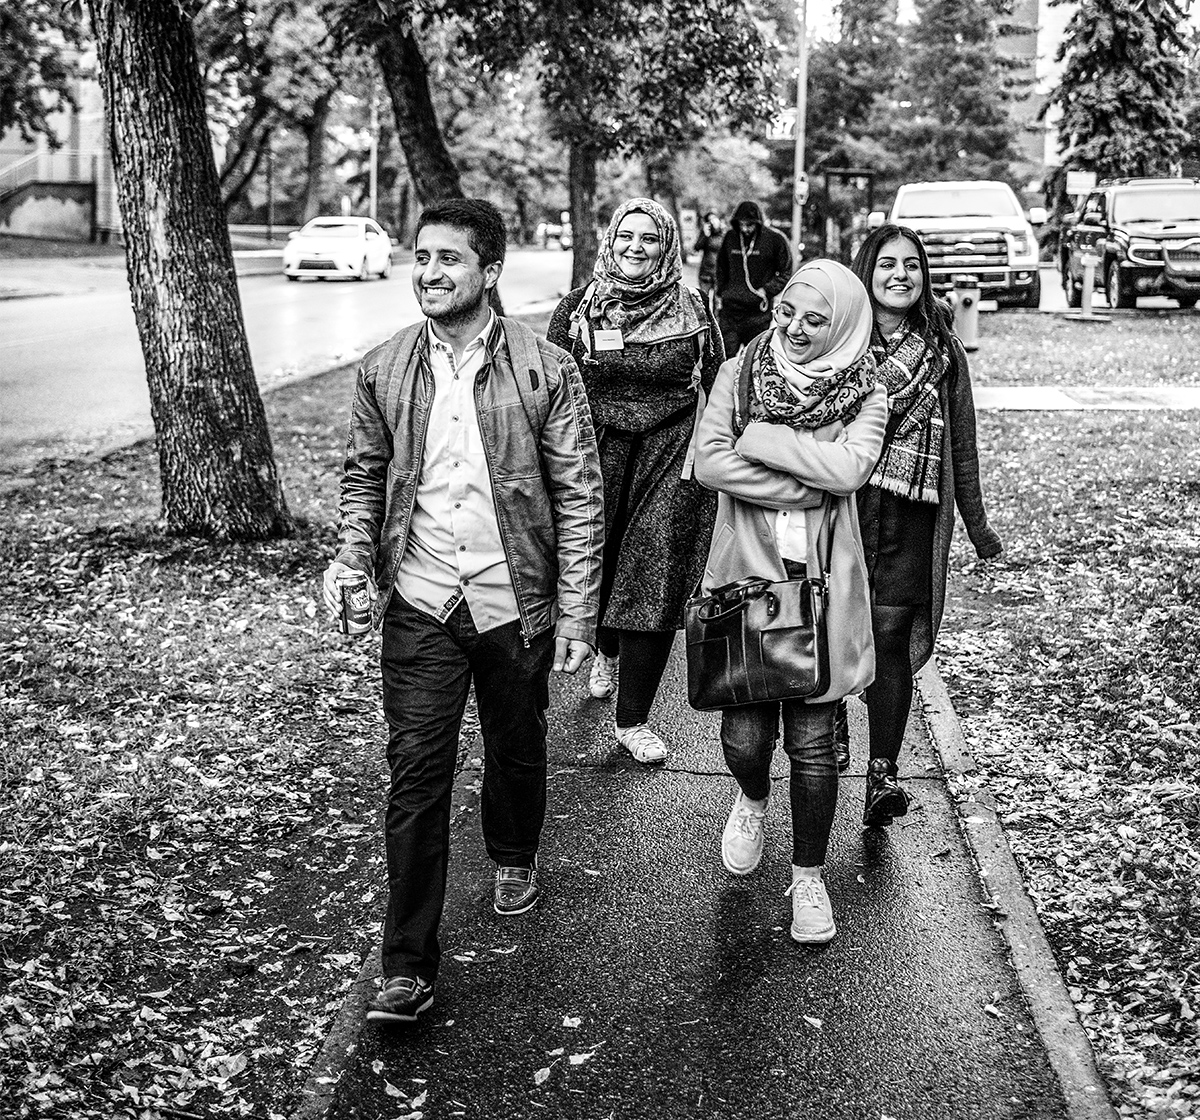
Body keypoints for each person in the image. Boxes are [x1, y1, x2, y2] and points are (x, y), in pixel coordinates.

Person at [322, 198, 604, 1024]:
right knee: (415, 777)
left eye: (449, 259)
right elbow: (363, 477)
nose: (430, 273)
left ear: (489, 271)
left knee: (517, 745)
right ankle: (406, 966)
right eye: (422, 257)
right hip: (418, 599)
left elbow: (579, 495)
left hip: (513, 600)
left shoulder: (545, 368)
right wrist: (350, 557)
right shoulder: (383, 367)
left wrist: (578, 616)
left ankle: (514, 852)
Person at [693, 260, 888, 943]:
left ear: (840, 325)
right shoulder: (738, 374)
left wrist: (762, 439)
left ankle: (809, 877)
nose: (797, 329)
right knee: (744, 738)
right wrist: (808, 484)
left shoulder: (868, 391)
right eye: (788, 314)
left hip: (825, 587)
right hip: (747, 580)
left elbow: (852, 469)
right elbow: (708, 462)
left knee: (812, 746)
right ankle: (750, 796)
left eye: (816, 320)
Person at [547, 197, 724, 764]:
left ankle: (633, 720)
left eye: (649, 238)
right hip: (595, 456)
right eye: (627, 236)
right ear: (611, 240)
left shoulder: (694, 310)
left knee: (653, 574)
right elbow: (548, 390)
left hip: (670, 456)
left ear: (666, 246)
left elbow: (720, 386)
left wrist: (716, 452)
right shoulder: (578, 311)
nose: (636, 248)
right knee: (598, 567)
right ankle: (605, 649)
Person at [846, 224, 1003, 827]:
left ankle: (880, 776)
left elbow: (963, 444)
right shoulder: (841, 341)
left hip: (911, 514)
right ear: (868, 270)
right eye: (888, 264)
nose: (900, 275)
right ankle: (830, 731)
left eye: (912, 265)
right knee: (836, 630)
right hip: (846, 507)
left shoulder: (943, 348)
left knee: (890, 639)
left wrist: (978, 525)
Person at [714, 200, 793, 359]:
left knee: (753, 359)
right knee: (724, 358)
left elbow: (786, 271)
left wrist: (767, 290)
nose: (745, 229)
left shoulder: (775, 240)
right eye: (742, 224)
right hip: (730, 312)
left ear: (757, 223)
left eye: (749, 225)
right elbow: (721, 267)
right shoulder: (731, 237)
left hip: (757, 314)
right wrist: (721, 292)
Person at [693, 211, 724, 303]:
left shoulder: (724, 235)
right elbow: (697, 247)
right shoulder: (705, 235)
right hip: (705, 272)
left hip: (718, 273)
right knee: (703, 300)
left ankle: (715, 317)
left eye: (714, 219)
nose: (713, 222)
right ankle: (704, 317)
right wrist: (705, 235)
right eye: (709, 220)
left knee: (717, 301)